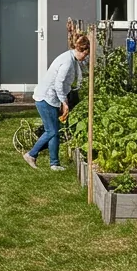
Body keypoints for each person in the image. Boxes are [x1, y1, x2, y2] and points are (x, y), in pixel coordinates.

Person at [24, 33, 90, 170]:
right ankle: (31, 154)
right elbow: (59, 83)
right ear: (82, 50)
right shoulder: (67, 62)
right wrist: (64, 102)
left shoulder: (71, 58)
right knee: (51, 131)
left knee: (55, 130)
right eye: (86, 54)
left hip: (52, 98)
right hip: (46, 98)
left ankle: (54, 163)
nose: (86, 57)